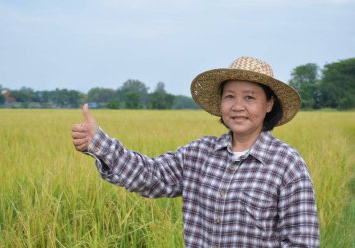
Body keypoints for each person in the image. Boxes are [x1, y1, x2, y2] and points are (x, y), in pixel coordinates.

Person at [71, 56, 320, 247]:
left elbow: (302, 242)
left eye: (250, 98)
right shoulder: (199, 154)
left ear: (269, 104)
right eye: (230, 96)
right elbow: (150, 175)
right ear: (220, 103)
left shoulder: (287, 164)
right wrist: (100, 144)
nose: (237, 106)